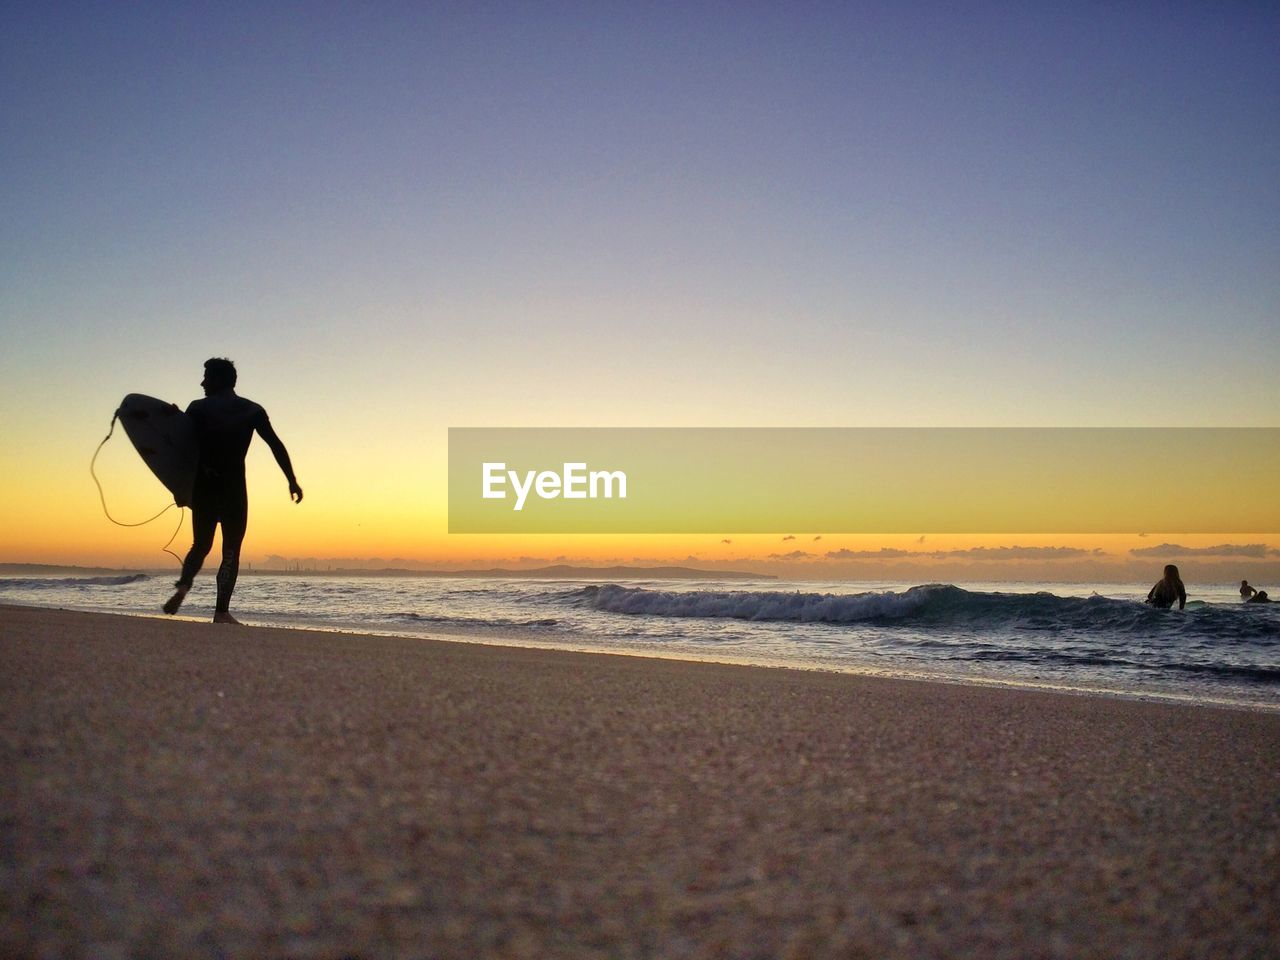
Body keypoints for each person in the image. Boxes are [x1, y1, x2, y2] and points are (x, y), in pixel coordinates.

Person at [163, 358, 302, 623]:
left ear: (218, 380)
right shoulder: (251, 410)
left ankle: (183, 586)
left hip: (204, 487)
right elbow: (275, 444)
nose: (202, 382)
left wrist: (180, 487)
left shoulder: (197, 408)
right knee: (231, 551)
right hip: (234, 489)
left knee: (201, 545)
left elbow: (182, 449)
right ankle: (221, 612)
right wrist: (291, 480)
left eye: (206, 377)